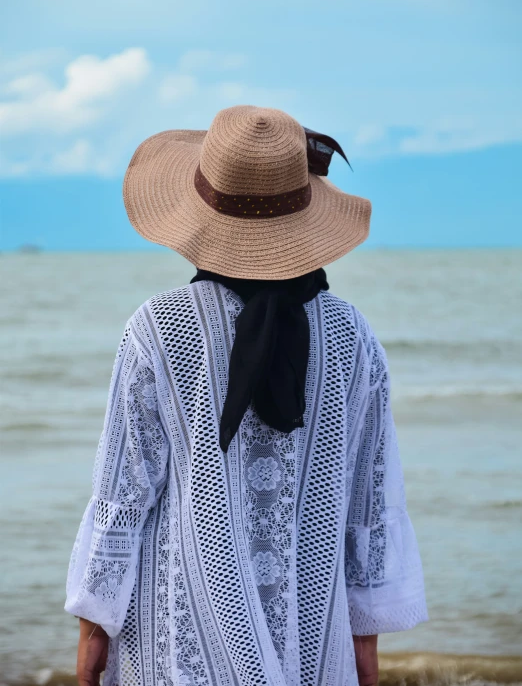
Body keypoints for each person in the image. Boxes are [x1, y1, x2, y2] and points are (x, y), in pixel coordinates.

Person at [65, 105, 428, 686]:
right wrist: (363, 643)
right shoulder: (351, 335)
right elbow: (367, 498)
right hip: (313, 639)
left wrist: (92, 635)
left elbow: (125, 494)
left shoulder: (159, 328)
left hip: (179, 641)